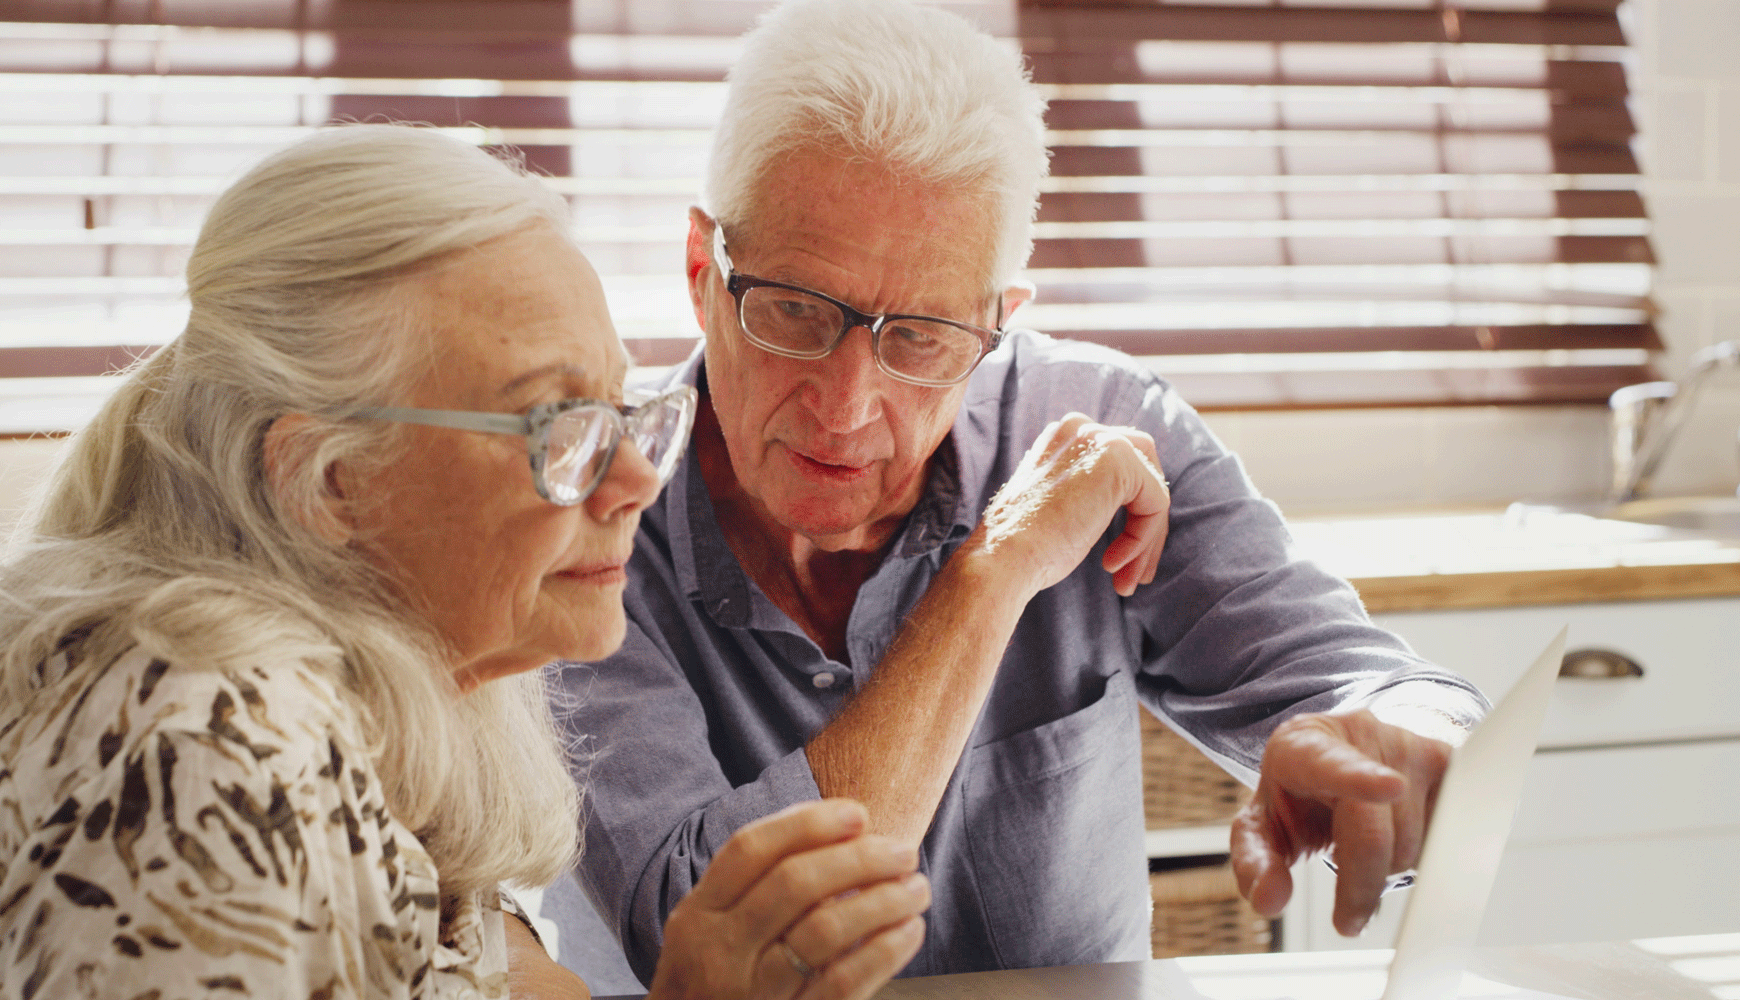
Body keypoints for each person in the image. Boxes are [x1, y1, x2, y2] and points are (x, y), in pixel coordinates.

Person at [0, 125, 930, 1000]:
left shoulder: (396, 706)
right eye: (554, 429)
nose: (634, 481)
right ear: (333, 482)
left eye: (622, 414)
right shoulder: (197, 750)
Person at [555, 0, 1492, 982]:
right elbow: (710, 945)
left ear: (997, 322)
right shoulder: (582, 505)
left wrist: (1396, 747)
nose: (844, 407)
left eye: (919, 337)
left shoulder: (1097, 420)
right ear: (703, 270)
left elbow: (1400, 693)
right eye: (793, 310)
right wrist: (993, 573)